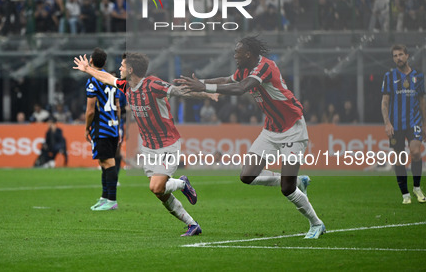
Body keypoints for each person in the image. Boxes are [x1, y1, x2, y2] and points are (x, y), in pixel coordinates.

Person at [178, 36, 325, 239]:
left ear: (248, 53)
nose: (234, 55)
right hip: (271, 129)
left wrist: (204, 88)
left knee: (287, 189)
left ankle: (316, 223)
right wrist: (200, 82)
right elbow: (228, 81)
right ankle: (298, 181)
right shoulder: (245, 69)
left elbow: (240, 89)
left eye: (238, 52)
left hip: (293, 128)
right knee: (247, 175)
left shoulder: (265, 66)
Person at [74, 52, 217, 236]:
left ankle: (182, 184)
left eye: (123, 66)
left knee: (156, 187)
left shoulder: (153, 84)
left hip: (167, 144)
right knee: (160, 192)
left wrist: (207, 94)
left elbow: (179, 91)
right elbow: (107, 78)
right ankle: (192, 224)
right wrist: (88, 69)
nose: (119, 68)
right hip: (149, 146)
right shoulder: (126, 86)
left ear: (131, 69)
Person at [381, 44, 426, 204]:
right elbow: (385, 102)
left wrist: (425, 124)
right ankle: (405, 194)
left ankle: (417, 187)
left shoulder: (418, 77)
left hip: (414, 122)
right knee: (399, 159)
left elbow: (422, 102)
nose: (398, 58)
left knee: (415, 151)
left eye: (400, 54)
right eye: (395, 56)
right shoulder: (389, 76)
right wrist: (387, 123)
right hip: (396, 125)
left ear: (407, 56)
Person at [84, 48, 121, 211]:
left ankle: (112, 200)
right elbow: (118, 106)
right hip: (113, 126)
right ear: (104, 63)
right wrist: (118, 126)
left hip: (102, 127)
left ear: (91, 61)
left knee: (108, 162)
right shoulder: (111, 79)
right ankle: (104, 197)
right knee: (104, 162)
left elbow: (91, 110)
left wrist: (86, 128)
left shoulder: (93, 81)